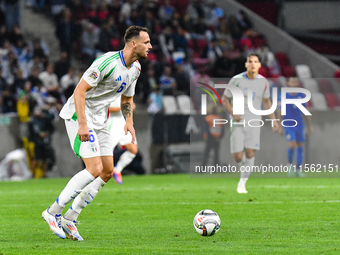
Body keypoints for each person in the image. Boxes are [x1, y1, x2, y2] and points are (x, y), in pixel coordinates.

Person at [42, 26, 152, 240]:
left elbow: (127, 99)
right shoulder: (107, 63)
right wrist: (82, 124)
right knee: (93, 168)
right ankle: (53, 212)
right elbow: (79, 90)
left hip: (101, 119)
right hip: (79, 115)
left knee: (107, 171)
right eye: (146, 42)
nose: (150, 46)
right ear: (133, 44)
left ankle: (70, 217)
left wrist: (129, 121)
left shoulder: (135, 68)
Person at [222, 53, 279, 194]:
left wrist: (273, 119)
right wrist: (233, 114)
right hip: (238, 121)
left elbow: (266, 101)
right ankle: (243, 169)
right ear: (246, 64)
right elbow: (225, 99)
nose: (253, 64)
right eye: (250, 61)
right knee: (238, 156)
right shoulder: (236, 80)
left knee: (249, 152)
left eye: (255, 61)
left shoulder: (264, 82)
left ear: (259, 65)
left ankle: (242, 183)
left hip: (254, 121)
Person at [277, 77, 313, 177]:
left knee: (300, 145)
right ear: (288, 83)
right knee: (292, 144)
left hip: (299, 124)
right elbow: (280, 111)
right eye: (292, 81)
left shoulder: (301, 95)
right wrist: (280, 125)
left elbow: (305, 110)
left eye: (295, 81)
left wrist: (310, 125)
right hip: (288, 124)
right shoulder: (284, 95)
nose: (294, 83)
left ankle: (298, 169)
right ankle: (289, 166)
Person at [107, 96, 138, 184]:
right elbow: (107, 109)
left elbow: (129, 103)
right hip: (112, 123)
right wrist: (125, 107)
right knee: (106, 151)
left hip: (123, 122)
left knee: (133, 150)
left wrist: (131, 107)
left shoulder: (124, 88)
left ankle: (117, 170)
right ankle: (96, 173)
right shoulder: (109, 88)